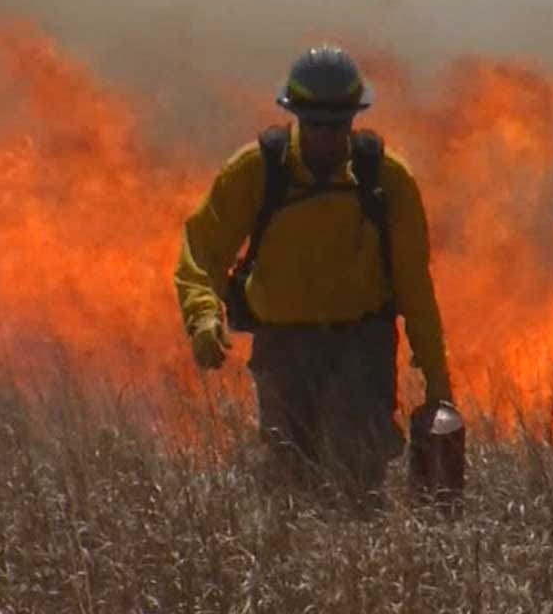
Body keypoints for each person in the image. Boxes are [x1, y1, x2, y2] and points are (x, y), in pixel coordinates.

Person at [174, 44, 457, 501]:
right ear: (296, 116)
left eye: (338, 124)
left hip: (362, 345)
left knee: (356, 472)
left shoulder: (386, 178)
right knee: (289, 475)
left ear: (354, 118)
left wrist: (438, 379)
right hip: (283, 348)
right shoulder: (257, 171)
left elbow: (414, 286)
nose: (326, 136)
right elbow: (202, 253)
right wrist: (203, 317)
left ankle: (357, 544)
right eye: (315, 124)